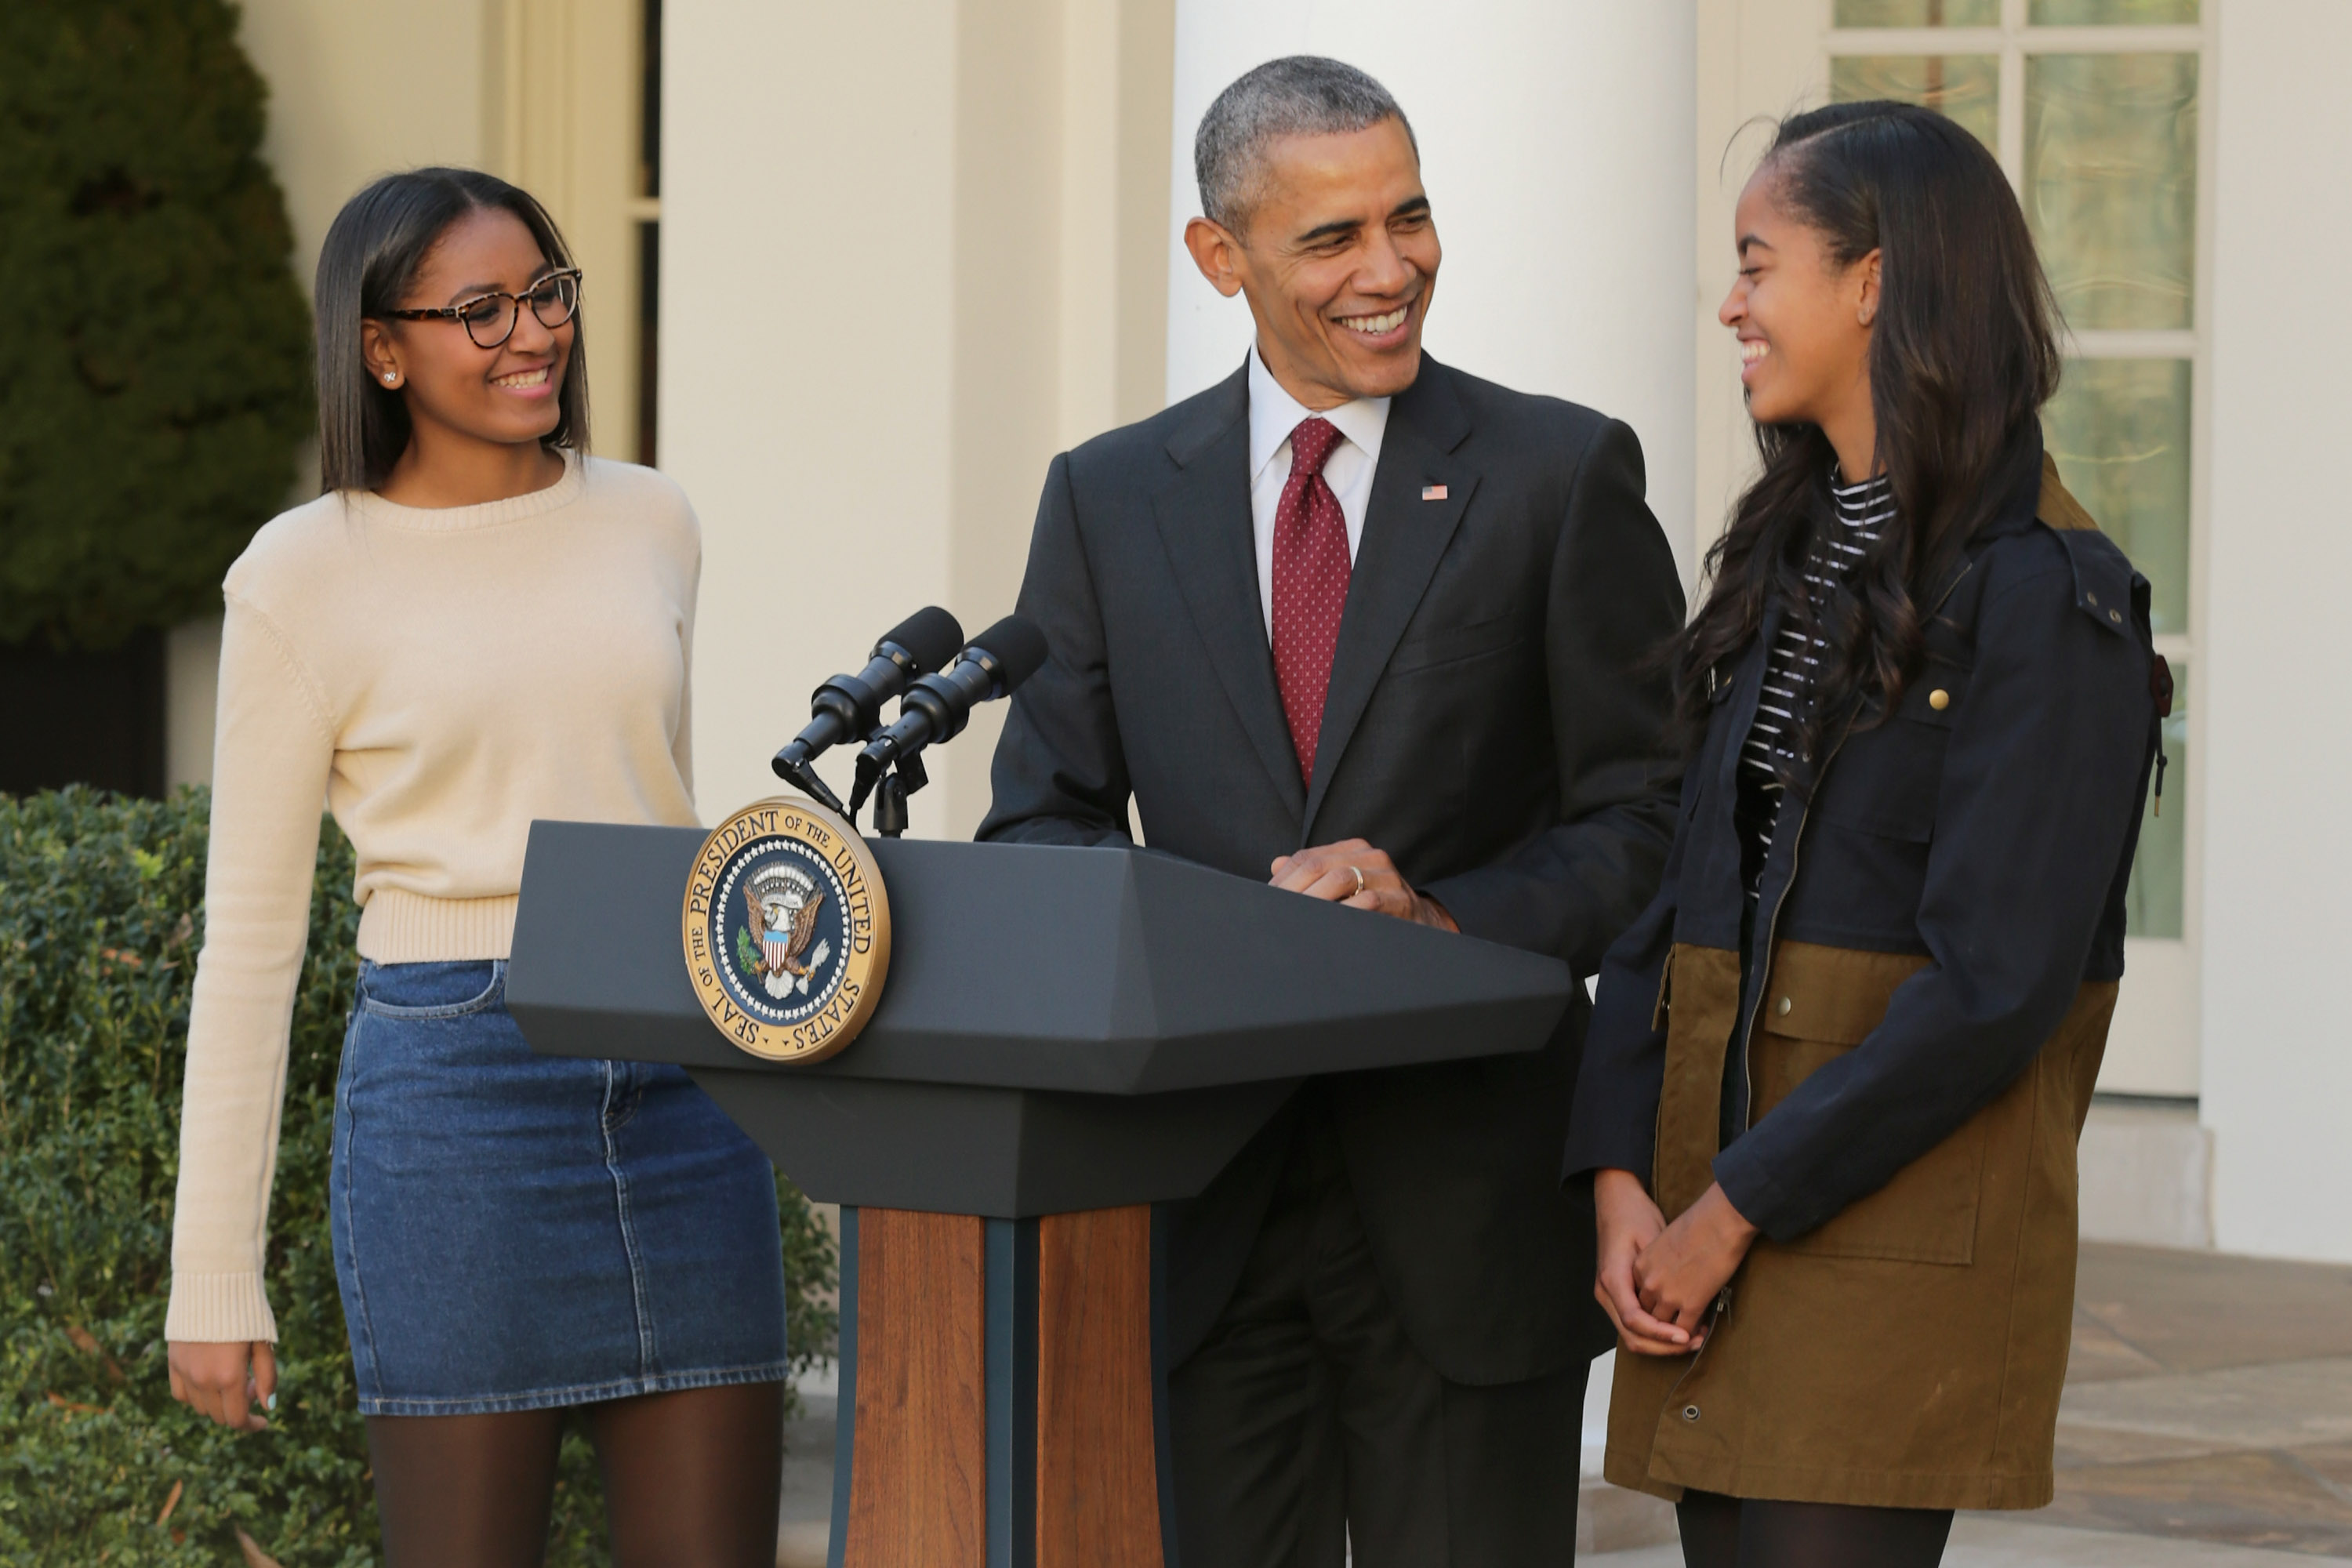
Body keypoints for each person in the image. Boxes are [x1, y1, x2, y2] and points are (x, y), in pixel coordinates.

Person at [979, 56, 1686, 1566]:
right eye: (1333, 239)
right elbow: (1040, 826)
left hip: (1468, 1212)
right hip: (1204, 1211)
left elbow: (1649, 827)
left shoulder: (1561, 475)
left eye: (1409, 218)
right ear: (1218, 258)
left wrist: (1445, 919)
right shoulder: (1107, 498)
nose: (1393, 270)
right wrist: (1212, 940)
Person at [1563, 102, 2164, 1568]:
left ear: (1875, 283)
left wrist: (1734, 1209)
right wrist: (1622, 1171)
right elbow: (1682, 889)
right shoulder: (1788, 556)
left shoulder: (2051, 595)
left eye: (1761, 265)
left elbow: (1997, 985)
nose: (1733, 305)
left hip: (1881, 1233)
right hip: (1719, 1203)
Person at [163, 168, 789, 1568]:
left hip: (687, 1079)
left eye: (549, 294)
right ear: (382, 347)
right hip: (455, 1098)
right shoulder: (299, 574)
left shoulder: (650, 518)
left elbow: (651, 798)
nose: (535, 334)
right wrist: (214, 1276)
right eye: (482, 309)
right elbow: (252, 943)